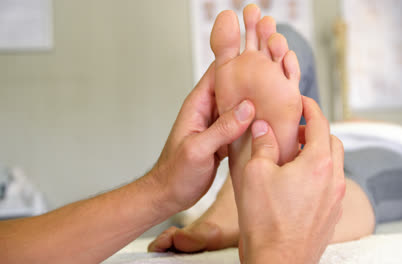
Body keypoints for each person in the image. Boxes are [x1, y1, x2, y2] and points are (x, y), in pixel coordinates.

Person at [0, 7, 345, 263]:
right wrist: (279, 251)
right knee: (381, 174)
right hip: (365, 142)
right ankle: (253, 206)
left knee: (284, 41)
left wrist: (162, 187)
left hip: (336, 136)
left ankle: (228, 217)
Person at [149, 4, 402, 255]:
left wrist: (397, 135)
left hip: (368, 147)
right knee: (285, 40)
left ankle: (236, 202)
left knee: (376, 160)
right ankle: (257, 199)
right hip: (333, 139)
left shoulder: (400, 145)